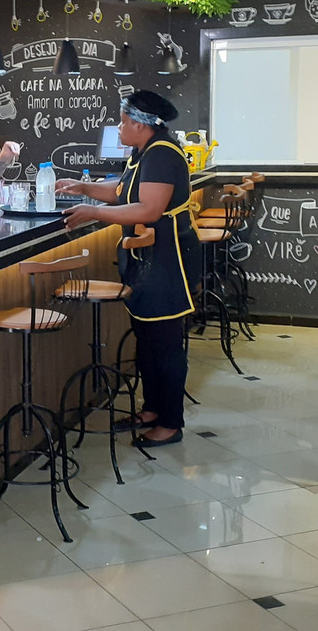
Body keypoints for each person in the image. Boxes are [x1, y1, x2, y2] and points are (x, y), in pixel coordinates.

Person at [57, 89, 201, 448]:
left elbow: (149, 209)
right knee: (147, 339)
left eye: (123, 122)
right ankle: (152, 410)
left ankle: (170, 423)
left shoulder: (163, 154)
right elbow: (123, 191)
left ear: (140, 125)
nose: (119, 128)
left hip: (168, 260)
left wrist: (94, 212)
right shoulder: (143, 152)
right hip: (147, 259)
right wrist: (84, 188)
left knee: (165, 342)